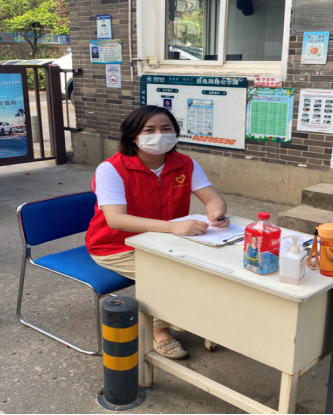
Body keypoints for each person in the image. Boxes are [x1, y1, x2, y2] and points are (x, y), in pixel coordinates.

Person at [86, 105, 230, 360]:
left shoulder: (185, 163)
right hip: (115, 246)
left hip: (166, 240)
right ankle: (160, 330)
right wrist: (173, 227)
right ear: (133, 136)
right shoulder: (111, 169)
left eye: (166, 129)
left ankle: (190, 316)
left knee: (214, 266)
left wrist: (216, 213)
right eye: (149, 130)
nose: (159, 135)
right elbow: (116, 220)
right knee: (168, 274)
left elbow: (213, 198)